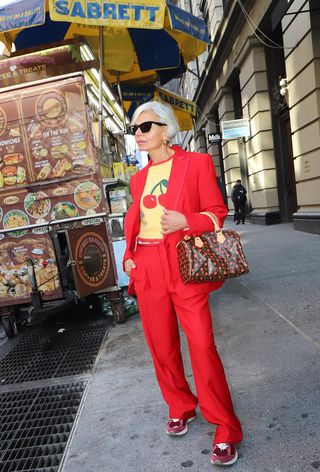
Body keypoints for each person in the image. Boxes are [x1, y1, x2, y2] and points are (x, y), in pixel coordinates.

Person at [123, 101, 243, 467]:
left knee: (203, 345)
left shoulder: (196, 164)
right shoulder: (138, 178)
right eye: (135, 129)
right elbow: (138, 219)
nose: (139, 135)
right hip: (146, 265)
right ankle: (181, 405)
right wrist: (129, 254)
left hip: (184, 264)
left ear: (166, 129)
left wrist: (187, 221)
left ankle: (224, 427)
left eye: (145, 127)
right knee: (161, 346)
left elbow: (217, 213)